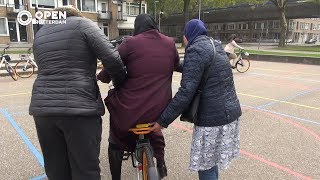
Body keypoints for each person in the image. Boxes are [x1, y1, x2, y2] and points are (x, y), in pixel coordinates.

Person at [29, 6, 126, 180]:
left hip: (43, 110)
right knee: (85, 170)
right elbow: (112, 58)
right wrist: (119, 84)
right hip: (79, 109)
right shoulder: (83, 25)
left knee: (56, 170)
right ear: (76, 14)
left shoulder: (41, 34)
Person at [151, 19, 242, 180]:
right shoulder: (213, 45)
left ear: (188, 36)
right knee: (211, 162)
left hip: (212, 119)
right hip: (230, 113)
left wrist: (162, 121)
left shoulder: (195, 49)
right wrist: (173, 64)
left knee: (205, 166)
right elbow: (197, 66)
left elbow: (186, 92)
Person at [97, 14, 181, 180]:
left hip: (132, 109)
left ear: (137, 27)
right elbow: (176, 64)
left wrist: (102, 76)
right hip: (160, 109)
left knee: (115, 135)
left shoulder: (130, 43)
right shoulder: (170, 43)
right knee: (153, 127)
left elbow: (112, 66)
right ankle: (161, 162)